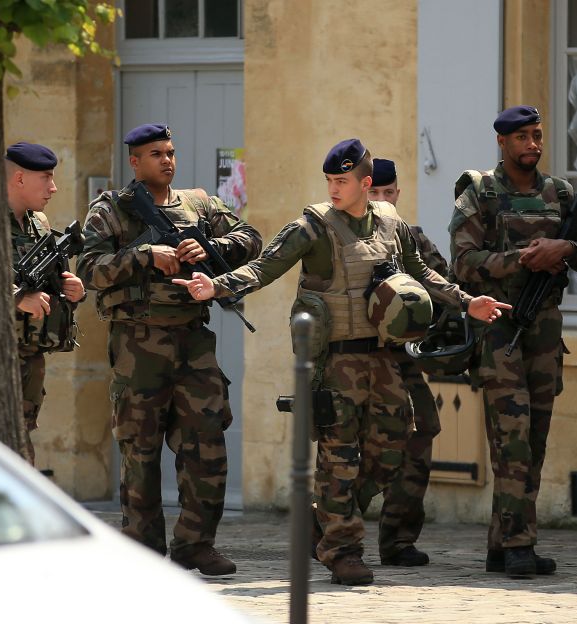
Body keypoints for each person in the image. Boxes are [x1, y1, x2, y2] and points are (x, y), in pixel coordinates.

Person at [174, 139, 509, 585]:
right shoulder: (311, 227)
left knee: (392, 449)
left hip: (385, 359)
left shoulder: (391, 223)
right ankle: (343, 550)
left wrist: (467, 303)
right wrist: (214, 287)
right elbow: (265, 267)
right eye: (330, 180)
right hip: (336, 363)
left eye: (343, 181)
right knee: (339, 459)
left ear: (366, 184)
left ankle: (325, 518)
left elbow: (422, 273)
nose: (334, 188)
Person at [76, 123, 262, 576]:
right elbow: (88, 269)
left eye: (171, 152)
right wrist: (146, 256)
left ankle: (196, 545)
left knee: (207, 445)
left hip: (193, 341)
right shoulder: (112, 211)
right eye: (156, 153)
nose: (167, 160)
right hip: (138, 343)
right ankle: (142, 549)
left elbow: (253, 239)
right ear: (135, 162)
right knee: (140, 451)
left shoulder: (200, 204)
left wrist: (209, 246)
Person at [449, 105, 577, 578]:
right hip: (499, 330)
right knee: (511, 440)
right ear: (502, 143)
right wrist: (522, 260)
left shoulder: (562, 195)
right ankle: (520, 544)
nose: (532, 145)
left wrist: (565, 249)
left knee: (533, 439)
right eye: (521, 138)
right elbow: (462, 263)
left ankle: (501, 543)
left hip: (545, 333)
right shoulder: (479, 194)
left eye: (537, 136)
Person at [367, 158, 448, 567]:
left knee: (421, 431)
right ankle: (326, 525)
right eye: (374, 194)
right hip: (359, 360)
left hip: (403, 357)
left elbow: (443, 285)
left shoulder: (411, 238)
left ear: (398, 193)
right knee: (364, 448)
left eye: (388, 193)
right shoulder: (342, 238)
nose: (382, 200)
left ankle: (398, 539)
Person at [5, 141, 85, 465]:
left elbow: (52, 283)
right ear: (20, 178)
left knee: (22, 447)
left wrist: (73, 290)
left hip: (29, 356)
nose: (54, 188)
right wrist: (18, 297)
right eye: (46, 178)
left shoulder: (39, 223)